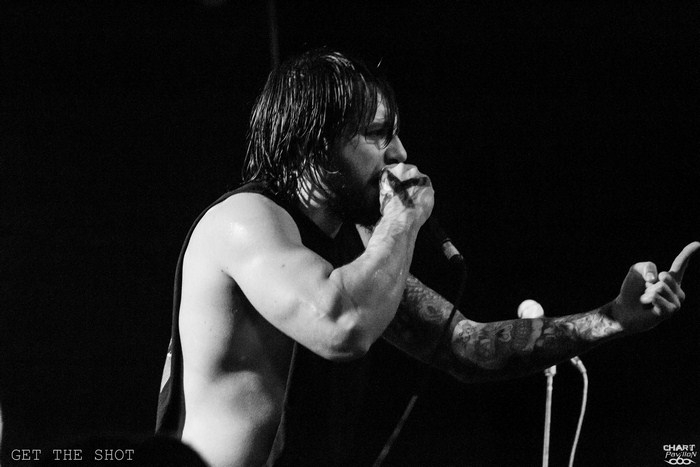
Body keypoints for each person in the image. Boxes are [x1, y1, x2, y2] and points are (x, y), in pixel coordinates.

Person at [155, 48, 698, 467]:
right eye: (377, 135)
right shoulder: (246, 220)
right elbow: (341, 326)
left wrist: (614, 318)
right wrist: (403, 219)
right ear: (314, 145)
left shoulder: (353, 252)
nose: (400, 154)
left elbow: (468, 347)